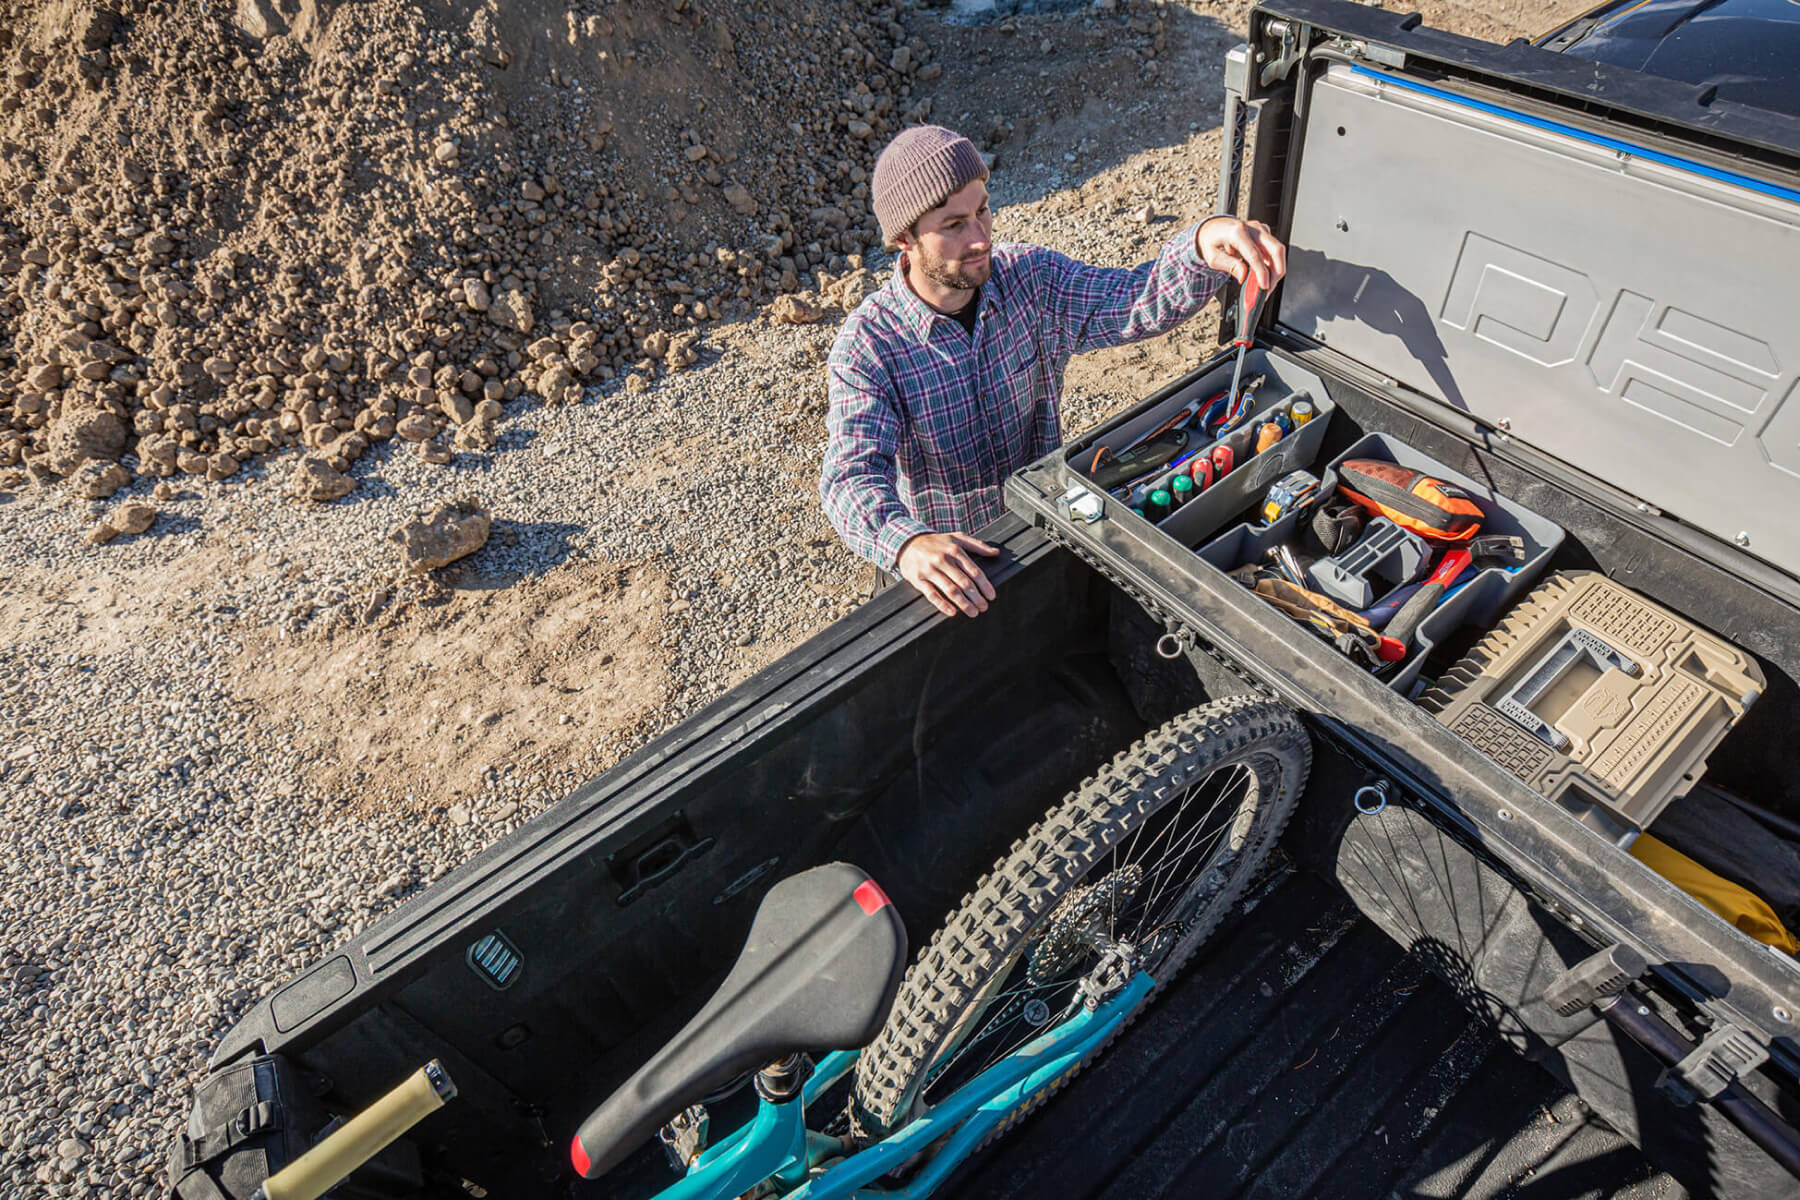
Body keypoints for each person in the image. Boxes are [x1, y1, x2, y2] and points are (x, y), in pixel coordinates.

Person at [820, 124, 1287, 618]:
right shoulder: (869, 346)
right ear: (903, 240)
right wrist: (907, 545)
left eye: (982, 210)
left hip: (1041, 533)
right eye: (954, 225)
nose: (980, 238)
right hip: (945, 573)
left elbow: (1132, 300)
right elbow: (849, 478)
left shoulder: (1031, 280)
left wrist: (1200, 245)